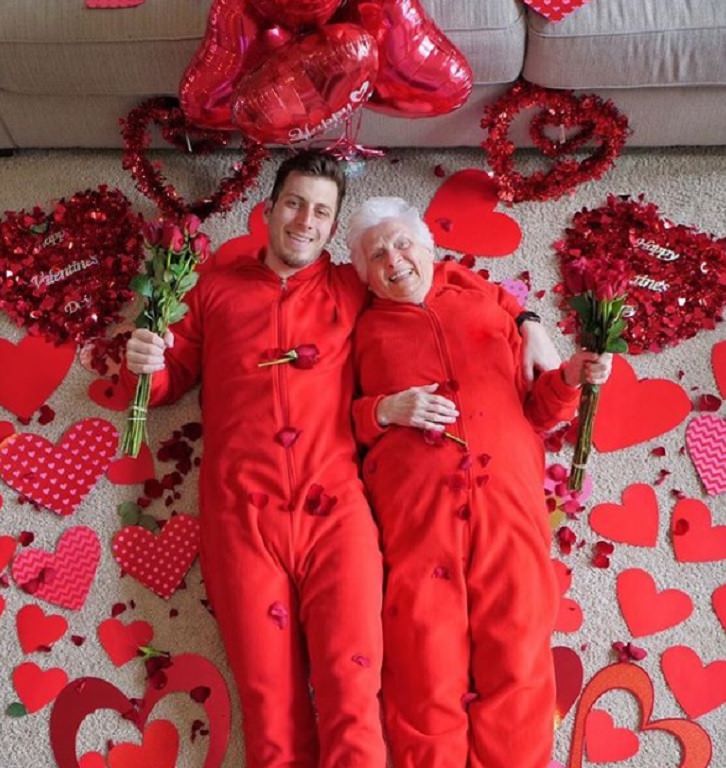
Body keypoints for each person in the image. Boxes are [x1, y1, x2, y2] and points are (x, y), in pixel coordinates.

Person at [123, 152, 563, 768]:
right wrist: (146, 361)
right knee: (269, 704)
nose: (305, 221)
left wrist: (531, 320)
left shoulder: (351, 283)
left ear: (333, 233)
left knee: (355, 691)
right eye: (295, 204)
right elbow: (171, 378)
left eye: (322, 212)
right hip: (240, 514)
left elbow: (437, 279)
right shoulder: (213, 288)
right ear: (270, 208)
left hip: (338, 512)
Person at [346, 197, 612, 768]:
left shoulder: (482, 302)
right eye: (376, 254)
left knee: (518, 655)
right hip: (418, 516)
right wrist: (385, 410)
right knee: (423, 659)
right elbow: (331, 422)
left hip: (508, 505)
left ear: (428, 248)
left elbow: (539, 412)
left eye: (402, 243)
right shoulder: (359, 330)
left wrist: (568, 376)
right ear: (364, 274)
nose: (393, 259)